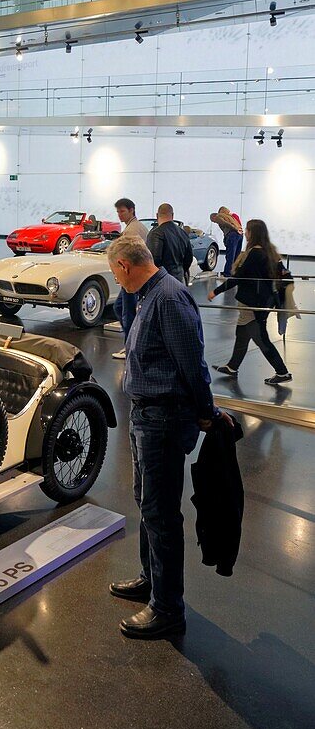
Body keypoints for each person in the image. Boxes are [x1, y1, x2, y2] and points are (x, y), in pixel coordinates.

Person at [106, 234, 233, 639]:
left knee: (161, 514)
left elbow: (192, 365)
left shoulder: (169, 298)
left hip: (163, 421)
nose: (117, 281)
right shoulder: (148, 294)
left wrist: (207, 413)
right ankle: (151, 579)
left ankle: (167, 608)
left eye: (115, 274)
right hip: (146, 418)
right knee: (148, 505)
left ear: (126, 266)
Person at [208, 218, 292, 385]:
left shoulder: (254, 253)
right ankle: (232, 367)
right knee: (242, 334)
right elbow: (284, 274)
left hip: (253, 303)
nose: (244, 233)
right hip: (262, 301)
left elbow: (238, 277)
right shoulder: (270, 252)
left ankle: (282, 372)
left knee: (261, 339)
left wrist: (216, 291)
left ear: (253, 233)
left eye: (247, 230)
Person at [111, 198, 149, 360]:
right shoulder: (138, 227)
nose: (119, 215)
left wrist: (121, 275)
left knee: (127, 311)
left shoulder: (132, 230)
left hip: (132, 277)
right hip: (136, 276)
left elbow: (127, 256)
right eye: (118, 211)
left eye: (122, 211)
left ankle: (131, 346)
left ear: (131, 210)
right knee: (120, 308)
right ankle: (132, 342)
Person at [146, 203, 194, 285]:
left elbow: (153, 260)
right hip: (179, 279)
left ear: (157, 215)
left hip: (162, 282)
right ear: (172, 215)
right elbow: (189, 258)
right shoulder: (182, 232)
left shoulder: (156, 233)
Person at [211, 207, 243, 277]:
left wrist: (234, 229)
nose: (214, 222)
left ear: (214, 216)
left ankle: (227, 273)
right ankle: (234, 272)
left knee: (230, 255)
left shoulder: (218, 216)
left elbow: (224, 223)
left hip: (233, 235)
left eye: (212, 220)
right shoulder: (231, 216)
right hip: (240, 235)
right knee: (236, 256)